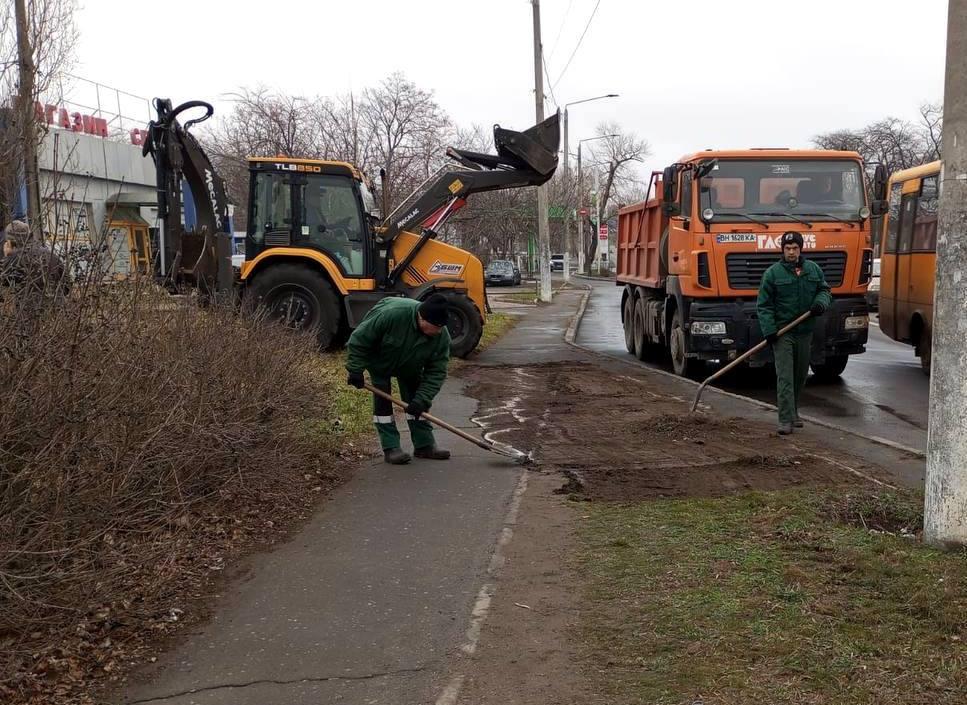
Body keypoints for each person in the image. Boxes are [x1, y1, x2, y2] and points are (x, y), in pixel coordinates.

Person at [345, 293, 452, 464]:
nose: (439, 331)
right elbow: (359, 340)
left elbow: (437, 371)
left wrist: (422, 399)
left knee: (418, 403)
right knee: (383, 405)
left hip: (411, 366)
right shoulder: (392, 314)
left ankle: (424, 445)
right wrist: (355, 370)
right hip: (380, 361)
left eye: (441, 327)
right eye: (436, 327)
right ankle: (391, 447)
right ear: (422, 319)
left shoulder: (441, 335)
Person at [756, 231, 832, 435]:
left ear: (800, 249)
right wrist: (770, 330)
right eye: (788, 248)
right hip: (783, 334)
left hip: (804, 332)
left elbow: (824, 290)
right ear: (782, 249)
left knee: (799, 375)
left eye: (795, 248)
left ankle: (794, 412)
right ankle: (784, 419)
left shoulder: (813, 270)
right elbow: (764, 305)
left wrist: (820, 304)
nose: (791, 252)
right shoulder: (773, 274)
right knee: (786, 377)